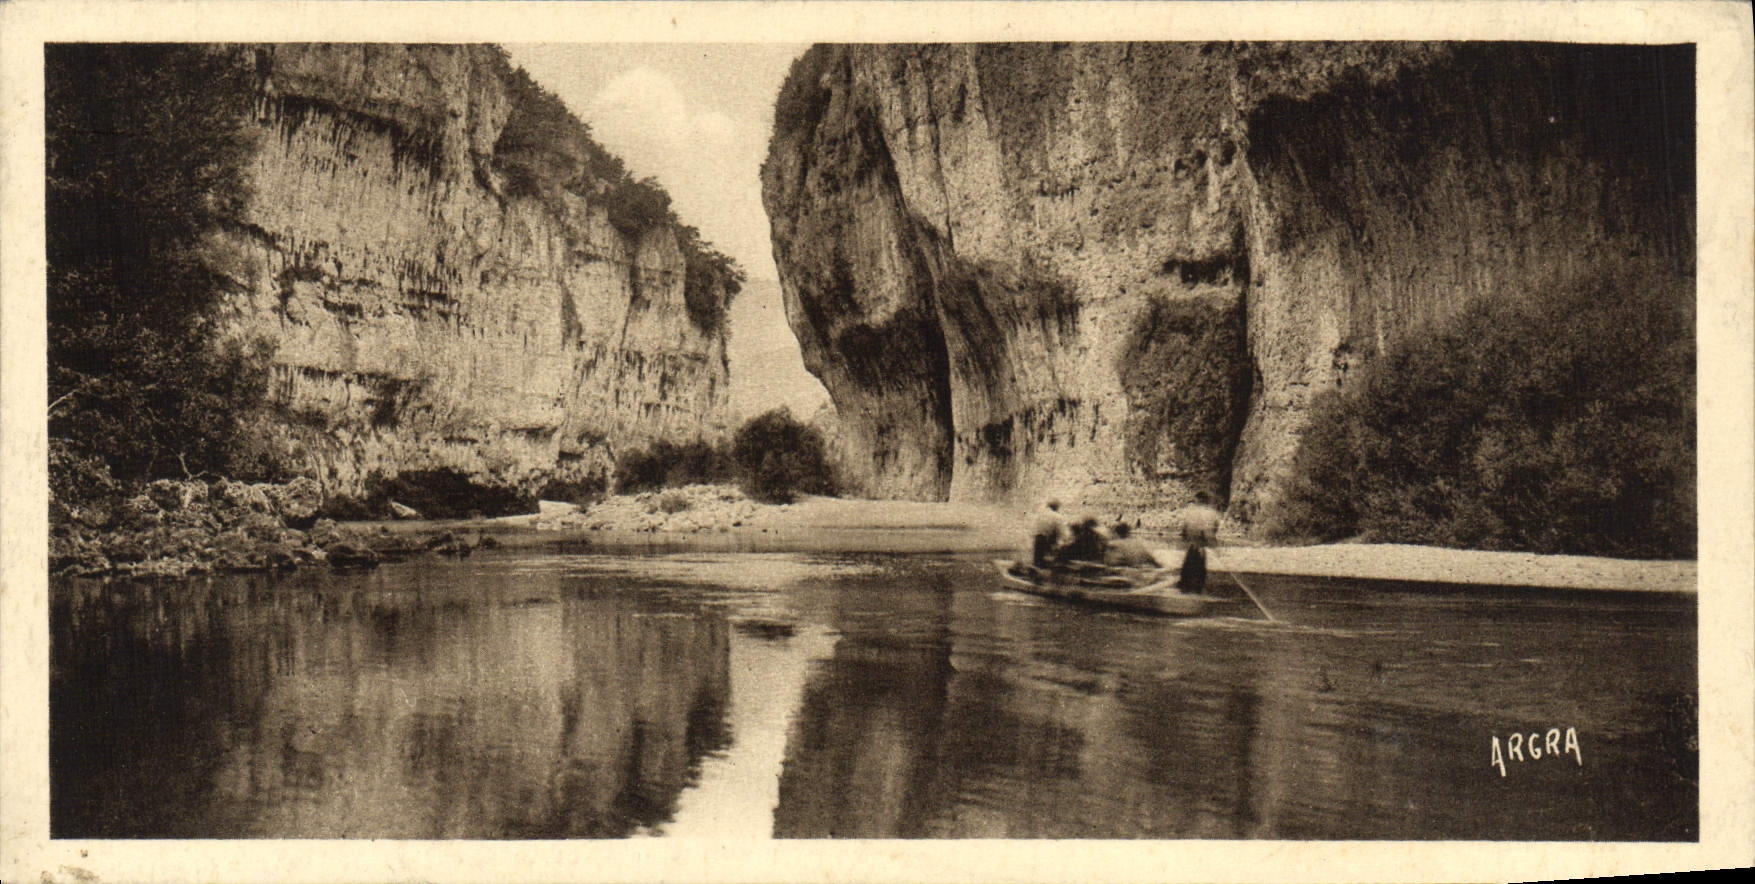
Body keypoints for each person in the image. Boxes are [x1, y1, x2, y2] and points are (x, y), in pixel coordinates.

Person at [1175, 491, 1223, 593]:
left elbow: (1184, 530)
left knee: (1190, 564)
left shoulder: (1190, 512)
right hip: (1201, 542)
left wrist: (1186, 538)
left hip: (1194, 542)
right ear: (1207, 501)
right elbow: (1213, 530)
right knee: (1199, 564)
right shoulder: (1211, 513)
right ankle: (1196, 587)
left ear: (1198, 500)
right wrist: (1213, 546)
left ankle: (1186, 586)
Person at [1030, 498, 1070, 567]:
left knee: (1038, 560)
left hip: (1037, 538)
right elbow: (1062, 532)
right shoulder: (1057, 516)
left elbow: (1033, 528)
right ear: (1056, 507)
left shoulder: (1040, 514)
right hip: (1047, 539)